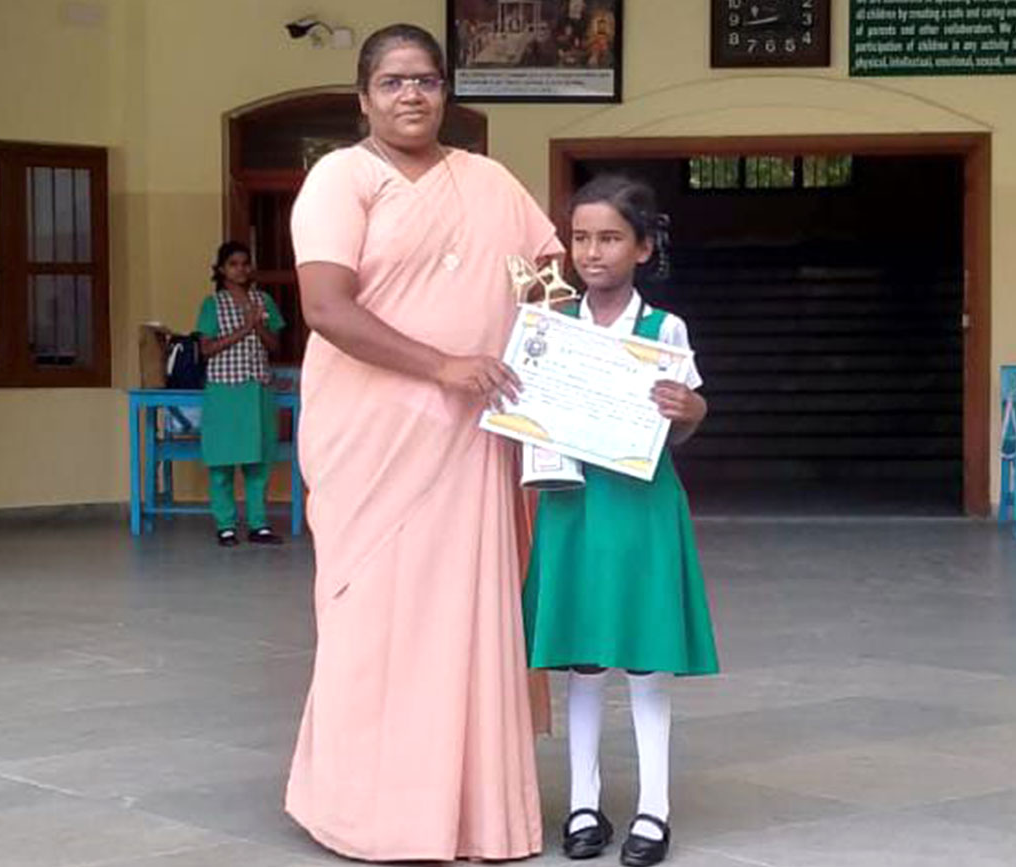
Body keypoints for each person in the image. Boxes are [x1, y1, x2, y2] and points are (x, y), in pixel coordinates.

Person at [285, 23, 564, 862]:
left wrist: (565, 354)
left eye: (427, 80)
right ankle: (365, 811)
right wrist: (443, 364)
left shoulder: (489, 181)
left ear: (447, 92)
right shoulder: (341, 178)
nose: (412, 94)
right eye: (393, 81)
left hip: (476, 436)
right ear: (363, 97)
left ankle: (475, 814)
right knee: (372, 620)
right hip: (372, 438)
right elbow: (326, 308)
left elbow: (547, 280)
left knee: (466, 622)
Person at [523, 175, 719, 865]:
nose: (592, 252)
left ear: (642, 247)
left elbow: (687, 417)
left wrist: (690, 409)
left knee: (644, 655)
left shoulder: (665, 329)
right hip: (572, 504)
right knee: (583, 657)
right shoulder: (550, 326)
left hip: (641, 507)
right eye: (580, 238)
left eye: (609, 238)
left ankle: (653, 810)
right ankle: (583, 802)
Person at [195, 241, 285, 547]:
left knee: (258, 462)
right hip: (225, 391)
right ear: (221, 270)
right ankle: (226, 525)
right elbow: (207, 348)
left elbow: (274, 346)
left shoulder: (264, 301)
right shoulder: (212, 304)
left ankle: (258, 525)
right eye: (233, 264)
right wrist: (245, 328)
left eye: (245, 263)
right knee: (222, 463)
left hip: (257, 390)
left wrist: (258, 326)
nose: (241, 269)